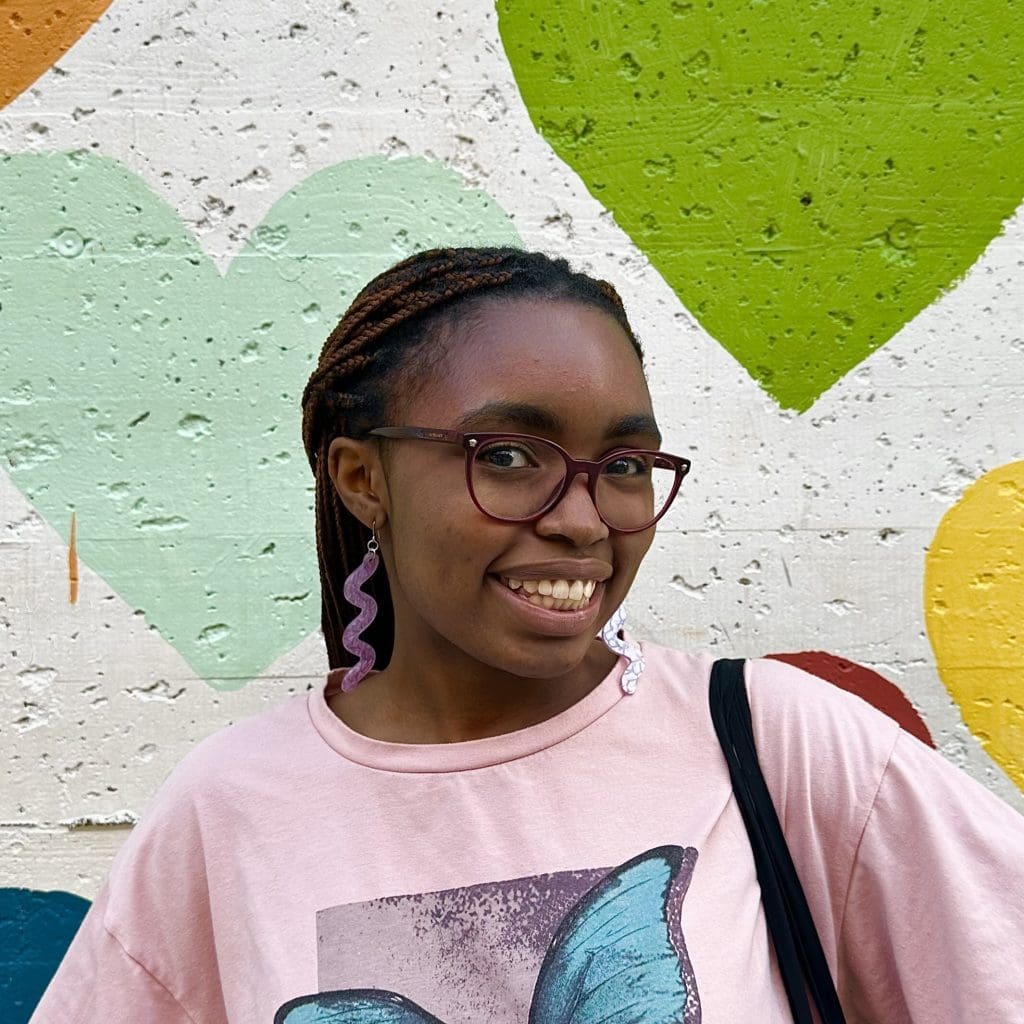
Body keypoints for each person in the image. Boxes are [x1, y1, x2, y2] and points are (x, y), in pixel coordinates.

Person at [30, 247, 1024, 1023]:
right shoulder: (231, 806)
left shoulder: (773, 742)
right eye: (508, 455)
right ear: (361, 478)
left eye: (625, 463)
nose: (585, 519)